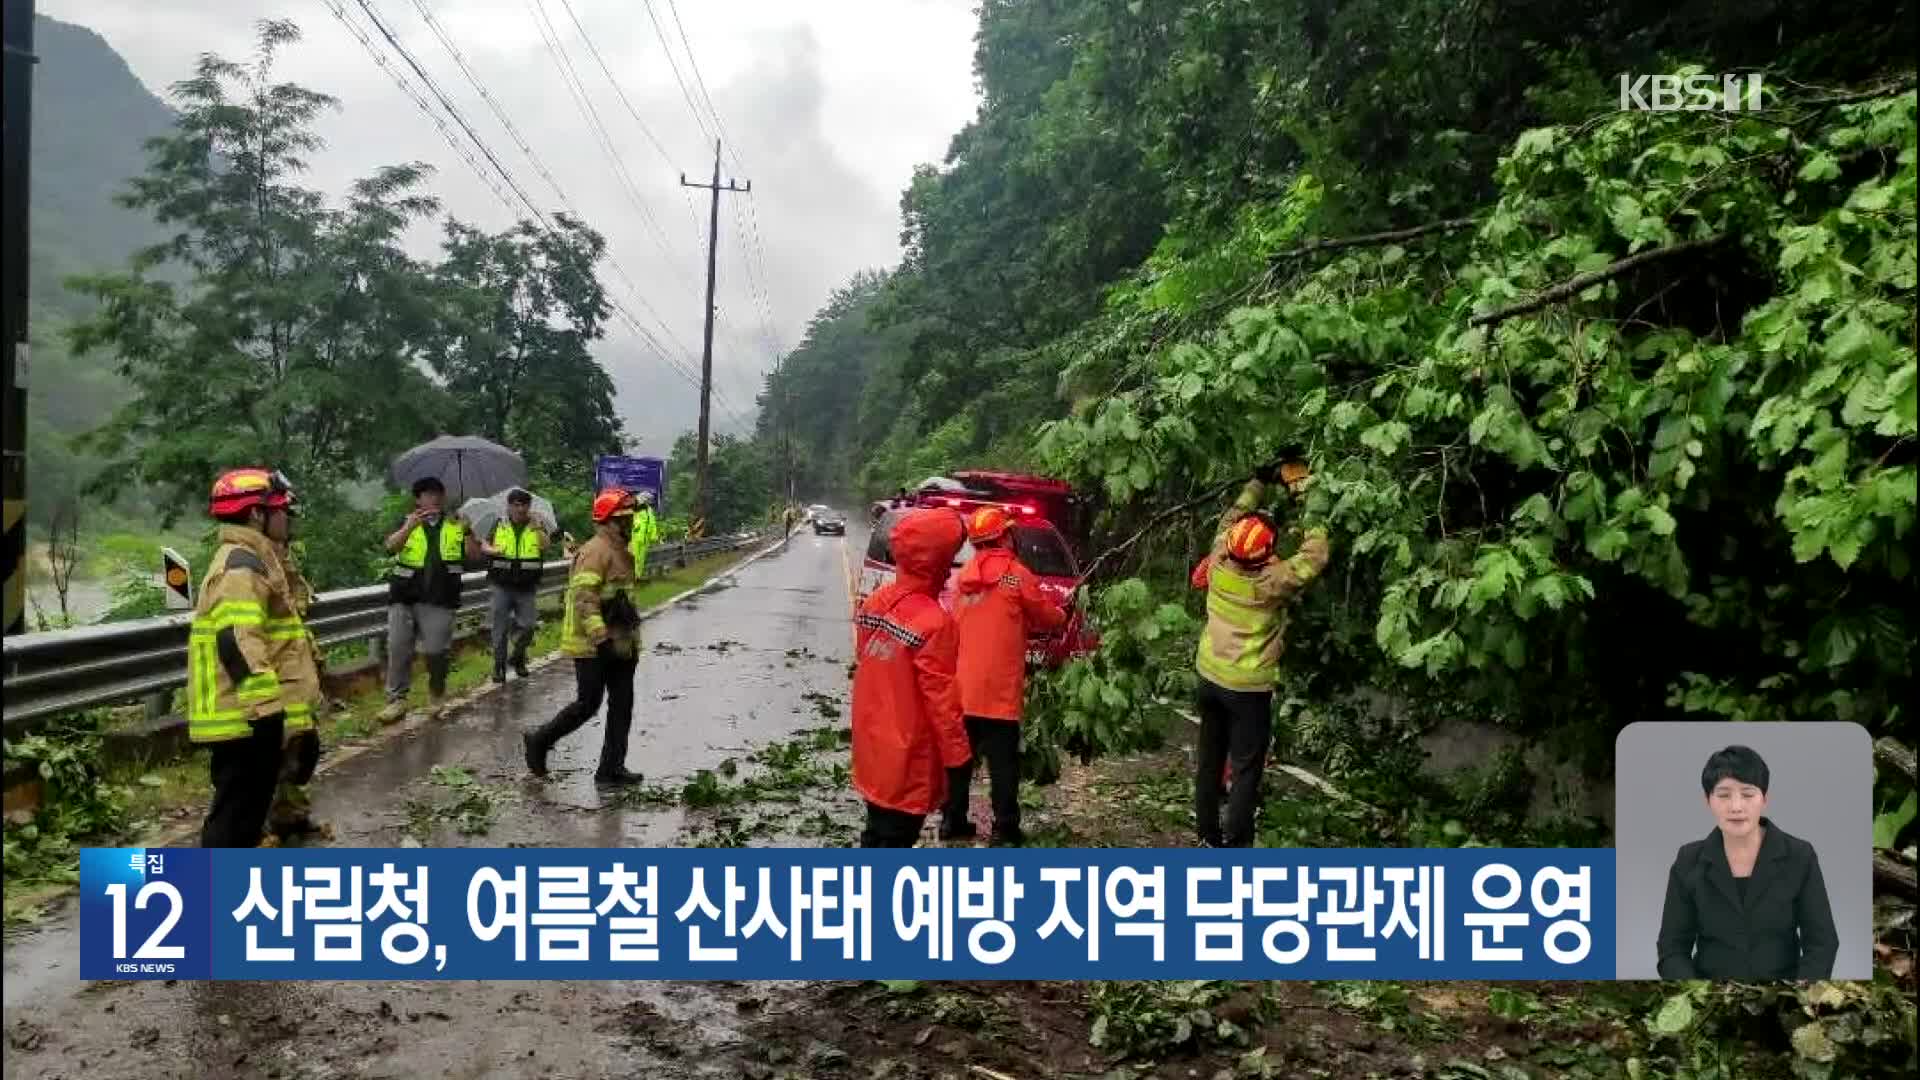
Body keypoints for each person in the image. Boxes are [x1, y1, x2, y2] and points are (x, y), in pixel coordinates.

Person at [1190, 458, 1329, 847]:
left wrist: (1256, 482)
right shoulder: (1273, 581)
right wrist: (1301, 488)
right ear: (1267, 552)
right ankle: (1236, 846)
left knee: (1210, 761)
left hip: (1210, 678)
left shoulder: (1217, 562)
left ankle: (1206, 836)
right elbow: (1315, 555)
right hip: (1248, 689)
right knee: (1246, 769)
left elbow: (1230, 518)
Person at [188, 469, 319, 848]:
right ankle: (208, 896)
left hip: (249, 713)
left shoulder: (255, 559)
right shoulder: (240, 566)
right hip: (247, 716)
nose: (287, 519)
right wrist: (266, 711)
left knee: (245, 817)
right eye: (280, 511)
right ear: (257, 515)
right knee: (233, 821)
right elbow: (238, 641)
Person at [942, 505, 1069, 846]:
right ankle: (1005, 829)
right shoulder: (1016, 574)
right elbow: (1046, 616)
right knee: (1003, 765)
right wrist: (1063, 614)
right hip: (999, 691)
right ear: (1004, 537)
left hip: (963, 688)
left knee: (960, 760)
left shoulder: (963, 576)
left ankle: (951, 819)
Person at [1656, 745, 1839, 979]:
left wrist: (1800, 996)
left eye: (1748, 794)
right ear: (1707, 800)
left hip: (1785, 995)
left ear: (1764, 798)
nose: (1736, 806)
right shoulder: (1688, 860)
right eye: (1723, 795)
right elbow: (1672, 948)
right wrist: (1696, 993)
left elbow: (1822, 943)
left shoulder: (1799, 855)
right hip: (1711, 995)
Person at [850, 509, 971, 847]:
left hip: (873, 747)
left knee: (875, 833)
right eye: (949, 557)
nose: (951, 565)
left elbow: (867, 660)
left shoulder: (876, 603)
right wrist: (959, 760)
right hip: (906, 759)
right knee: (895, 841)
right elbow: (942, 703)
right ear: (935, 561)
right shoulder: (935, 623)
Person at [522, 487, 646, 785]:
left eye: (630, 519)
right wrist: (601, 638)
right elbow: (584, 599)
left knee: (622, 704)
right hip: (594, 646)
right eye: (624, 520)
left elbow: (622, 600)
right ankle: (539, 741)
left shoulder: (621, 552)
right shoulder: (595, 551)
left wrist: (628, 642)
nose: (630, 525)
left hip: (621, 643)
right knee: (587, 704)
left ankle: (611, 768)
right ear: (607, 522)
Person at [379, 477, 476, 723]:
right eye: (426, 494)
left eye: (436, 494)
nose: (432, 499)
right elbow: (390, 547)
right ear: (418, 499)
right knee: (398, 648)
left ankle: (436, 693)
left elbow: (474, 557)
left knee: (436, 651)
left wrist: (468, 531)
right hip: (404, 595)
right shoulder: (406, 521)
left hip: (441, 597)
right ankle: (396, 700)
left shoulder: (456, 524)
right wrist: (408, 527)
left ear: (442, 498)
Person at [264, 536, 326, 843]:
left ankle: (293, 814)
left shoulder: (281, 555)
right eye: (283, 512)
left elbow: (296, 613)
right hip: (275, 675)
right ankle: (268, 824)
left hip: (296, 670)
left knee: (302, 751)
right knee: (275, 755)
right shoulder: (253, 559)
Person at [483, 488, 548, 684]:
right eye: (516, 505)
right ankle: (499, 666)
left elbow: (545, 546)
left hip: (527, 585)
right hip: (501, 583)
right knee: (499, 628)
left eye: (523, 505)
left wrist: (537, 527)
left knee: (528, 626)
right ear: (509, 506)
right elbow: (483, 544)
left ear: (529, 506)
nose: (520, 509)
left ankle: (518, 656)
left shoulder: (537, 524)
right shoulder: (498, 523)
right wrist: (492, 550)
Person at [627, 489, 662, 580]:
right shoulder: (633, 508)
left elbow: (652, 523)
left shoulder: (649, 510)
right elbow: (628, 521)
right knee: (633, 557)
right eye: (647, 500)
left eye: (649, 500)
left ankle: (637, 576)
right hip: (634, 537)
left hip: (644, 538)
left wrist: (654, 536)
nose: (649, 502)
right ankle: (632, 577)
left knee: (641, 559)